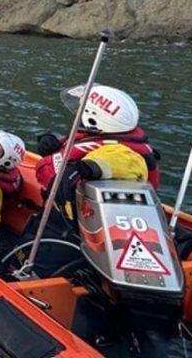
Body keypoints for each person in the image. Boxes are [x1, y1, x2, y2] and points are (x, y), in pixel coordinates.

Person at [23, 84, 160, 278]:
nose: (77, 114)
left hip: (75, 229)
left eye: (82, 109)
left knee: (39, 267)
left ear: (95, 116)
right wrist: (51, 145)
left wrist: (89, 168)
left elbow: (124, 162)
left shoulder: (122, 153)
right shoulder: (102, 140)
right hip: (63, 218)